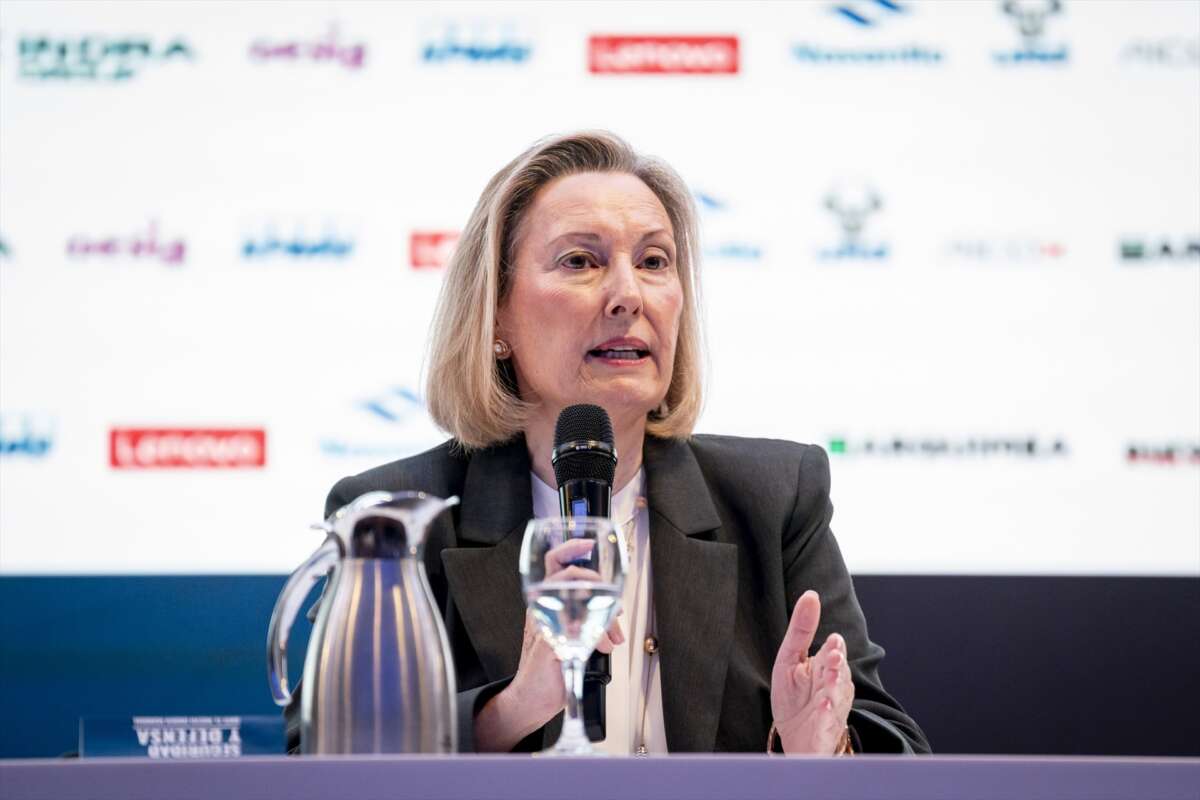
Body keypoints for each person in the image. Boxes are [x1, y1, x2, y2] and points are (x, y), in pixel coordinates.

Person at [318, 130, 929, 755]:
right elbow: (322, 765)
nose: (628, 296)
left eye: (654, 262)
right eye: (580, 261)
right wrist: (511, 711)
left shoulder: (774, 499)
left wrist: (819, 749)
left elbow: (900, 750)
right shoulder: (393, 516)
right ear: (496, 314)